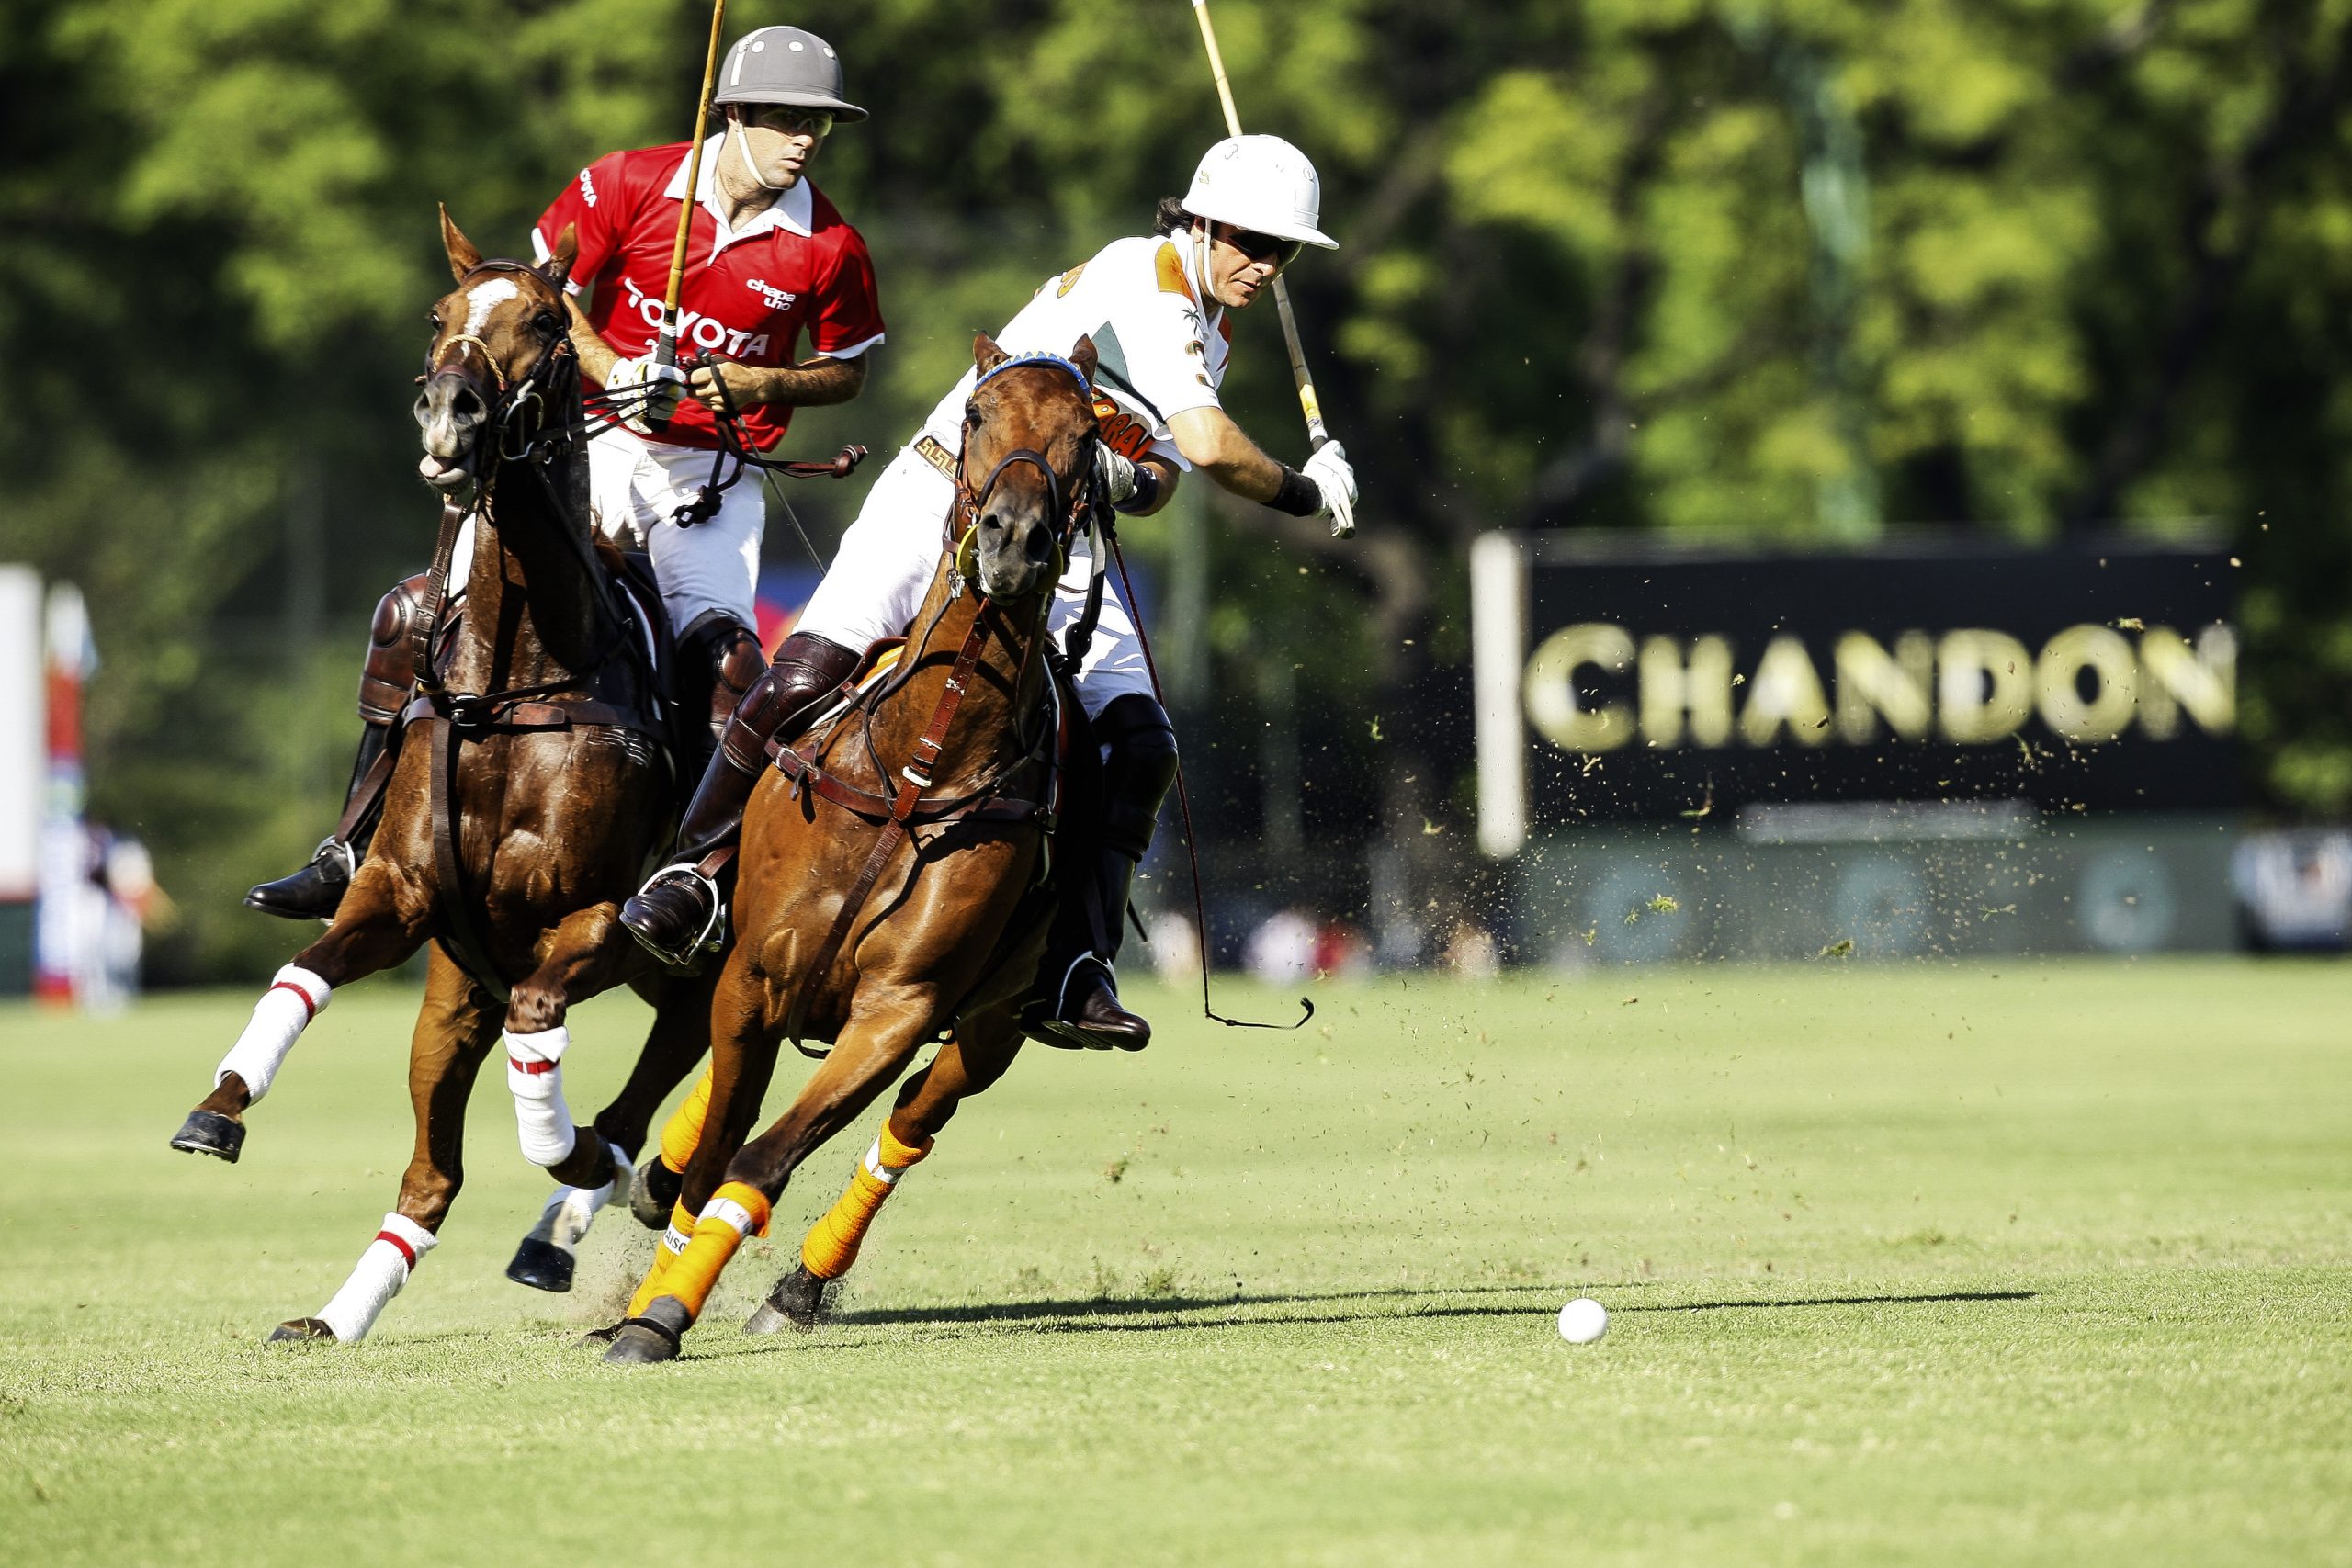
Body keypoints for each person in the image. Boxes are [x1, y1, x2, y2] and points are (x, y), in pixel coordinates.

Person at [619, 134, 1359, 1052]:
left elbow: (1166, 471)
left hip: (1063, 542)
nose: (1264, 264)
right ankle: (691, 872)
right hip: (944, 495)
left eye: (1281, 251)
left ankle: (1076, 965)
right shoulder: (1148, 278)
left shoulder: (1211, 332)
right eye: (1250, 241)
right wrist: (1300, 487)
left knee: (1139, 742)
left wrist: (1131, 484)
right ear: (1201, 222)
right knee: (807, 670)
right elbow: (1208, 444)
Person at [247, 25, 885, 921]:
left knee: (730, 664)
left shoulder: (828, 245)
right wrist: (616, 370)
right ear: (732, 114)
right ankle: (347, 848)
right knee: (415, 610)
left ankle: (694, 880)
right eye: (785, 118)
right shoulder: (626, 183)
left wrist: (740, 379)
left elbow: (846, 367)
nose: (805, 139)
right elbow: (547, 292)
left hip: (712, 478)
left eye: (818, 123)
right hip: (593, 453)